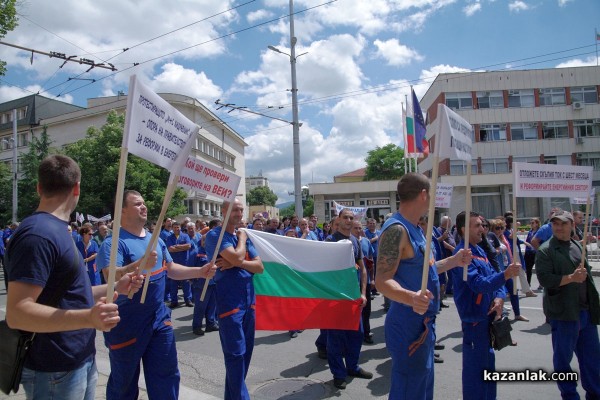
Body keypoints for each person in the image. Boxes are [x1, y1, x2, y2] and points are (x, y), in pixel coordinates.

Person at [5, 155, 142, 400]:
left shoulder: (56, 230)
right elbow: (18, 313)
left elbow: (71, 296)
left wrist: (116, 285)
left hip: (75, 361)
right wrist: (89, 318)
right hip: (54, 370)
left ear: (39, 187)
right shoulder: (38, 234)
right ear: (77, 187)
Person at [96, 190, 215, 400]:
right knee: (123, 385)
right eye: (137, 204)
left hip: (159, 320)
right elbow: (110, 277)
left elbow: (170, 268)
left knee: (166, 377)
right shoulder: (113, 242)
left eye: (144, 203)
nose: (144, 207)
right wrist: (140, 264)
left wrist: (199, 272)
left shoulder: (155, 240)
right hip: (126, 324)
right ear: (122, 210)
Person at [375, 173, 471, 400]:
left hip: (424, 323)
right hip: (408, 323)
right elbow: (381, 281)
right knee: (410, 390)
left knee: (422, 387)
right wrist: (411, 297)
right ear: (423, 194)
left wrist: (453, 261)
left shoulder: (417, 228)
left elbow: (424, 269)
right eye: (432, 193)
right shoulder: (397, 230)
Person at [448, 211, 521, 400]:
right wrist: (505, 274)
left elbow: (492, 278)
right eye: (477, 226)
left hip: (487, 318)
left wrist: (499, 298)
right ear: (463, 229)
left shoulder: (479, 250)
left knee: (488, 369)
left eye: (482, 225)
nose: (483, 229)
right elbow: (479, 284)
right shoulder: (462, 254)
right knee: (475, 374)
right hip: (474, 321)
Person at [535, 210, 600, 399]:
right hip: (564, 314)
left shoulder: (575, 246)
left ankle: (595, 393)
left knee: (592, 360)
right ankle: (569, 395)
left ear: (572, 225)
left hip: (585, 312)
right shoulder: (546, 250)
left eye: (563, 223)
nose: (559, 227)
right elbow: (545, 279)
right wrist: (571, 278)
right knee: (563, 360)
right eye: (555, 224)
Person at [204, 198, 264, 400]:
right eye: (235, 210)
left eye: (241, 210)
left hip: (249, 300)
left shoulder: (241, 236)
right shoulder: (216, 235)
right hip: (230, 302)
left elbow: (259, 267)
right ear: (223, 211)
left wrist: (239, 263)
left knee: (245, 353)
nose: (239, 214)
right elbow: (239, 258)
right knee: (235, 354)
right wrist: (242, 242)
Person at [323, 209, 371, 390]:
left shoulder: (356, 242)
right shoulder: (329, 241)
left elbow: (363, 269)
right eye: (346, 217)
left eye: (352, 218)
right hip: (335, 299)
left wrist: (364, 293)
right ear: (338, 220)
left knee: (356, 335)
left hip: (354, 299)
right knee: (335, 338)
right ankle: (338, 374)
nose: (349, 220)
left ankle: (352, 367)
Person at [187, 222, 218, 336]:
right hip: (200, 284)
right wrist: (193, 280)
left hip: (213, 283)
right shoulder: (196, 252)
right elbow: (190, 267)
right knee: (200, 307)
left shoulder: (213, 253)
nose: (206, 243)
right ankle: (197, 326)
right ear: (201, 241)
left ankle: (210, 324)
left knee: (212, 305)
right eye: (204, 241)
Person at [352, 219, 375, 344]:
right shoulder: (348, 243)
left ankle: (366, 332)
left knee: (366, 309)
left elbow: (371, 261)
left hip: (365, 281)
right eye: (355, 228)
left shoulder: (366, 242)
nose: (358, 230)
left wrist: (373, 279)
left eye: (360, 228)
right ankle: (356, 334)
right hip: (352, 281)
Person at [165, 220, 193, 308]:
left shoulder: (185, 236)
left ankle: (188, 299)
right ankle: (174, 301)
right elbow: (170, 249)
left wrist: (176, 247)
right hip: (174, 263)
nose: (177, 229)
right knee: (174, 283)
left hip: (184, 262)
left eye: (178, 227)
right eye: (175, 227)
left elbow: (188, 246)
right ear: (172, 229)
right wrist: (182, 247)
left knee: (186, 282)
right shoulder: (169, 237)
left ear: (180, 228)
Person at [524, 218, 540, 286]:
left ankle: (541, 283)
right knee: (528, 268)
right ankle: (528, 283)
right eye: (531, 223)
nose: (531, 224)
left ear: (537, 224)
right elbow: (527, 240)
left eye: (533, 223)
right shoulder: (530, 231)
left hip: (536, 252)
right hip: (529, 252)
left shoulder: (539, 231)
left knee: (539, 268)